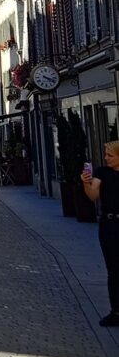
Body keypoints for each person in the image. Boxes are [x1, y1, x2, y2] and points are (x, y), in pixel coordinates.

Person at [79, 139, 119, 326]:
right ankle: (116, 311)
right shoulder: (102, 172)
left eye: (110, 155)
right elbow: (93, 195)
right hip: (109, 225)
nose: (106, 158)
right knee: (113, 269)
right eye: (106, 155)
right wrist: (86, 183)